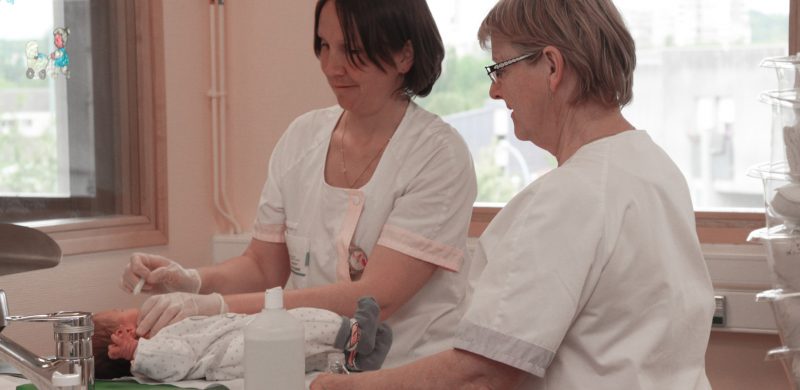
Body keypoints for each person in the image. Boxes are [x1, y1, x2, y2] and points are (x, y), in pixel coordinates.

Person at [311, 0, 715, 388]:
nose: (495, 92)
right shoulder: (654, 167)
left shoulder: (570, 196)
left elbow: (482, 376)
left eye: (500, 69)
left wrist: (346, 388)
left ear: (552, 67)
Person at [119, 0, 477, 368]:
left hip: (409, 369)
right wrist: (191, 281)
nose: (331, 66)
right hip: (317, 370)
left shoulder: (438, 155)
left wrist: (216, 307)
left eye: (352, 50)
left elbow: (377, 297)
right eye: (324, 45)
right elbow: (262, 267)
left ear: (405, 55)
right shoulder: (302, 139)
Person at [93, 297, 392, 381]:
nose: (127, 306)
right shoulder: (153, 350)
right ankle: (354, 333)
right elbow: (180, 359)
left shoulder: (159, 342)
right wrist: (137, 351)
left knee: (303, 357)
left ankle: (355, 359)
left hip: (232, 345)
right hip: (232, 349)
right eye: (121, 310)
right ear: (125, 332)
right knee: (298, 323)